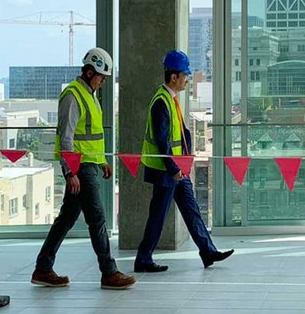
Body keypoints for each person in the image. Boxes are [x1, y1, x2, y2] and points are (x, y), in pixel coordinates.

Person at [32, 48, 136, 290]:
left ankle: (43, 268)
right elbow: (66, 138)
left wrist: (101, 161)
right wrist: (70, 172)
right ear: (89, 72)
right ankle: (108, 272)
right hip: (80, 169)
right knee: (97, 218)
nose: (102, 82)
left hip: (89, 165)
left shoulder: (90, 95)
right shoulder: (72, 96)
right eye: (100, 77)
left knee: (66, 219)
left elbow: (91, 137)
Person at [134, 49, 233, 272]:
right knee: (158, 216)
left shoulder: (171, 99)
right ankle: (143, 259)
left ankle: (208, 251)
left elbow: (178, 133)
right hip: (166, 170)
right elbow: (161, 141)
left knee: (191, 210)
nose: (187, 80)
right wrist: (173, 168)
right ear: (174, 77)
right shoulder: (161, 101)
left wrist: (185, 155)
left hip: (179, 168)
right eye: (185, 76)